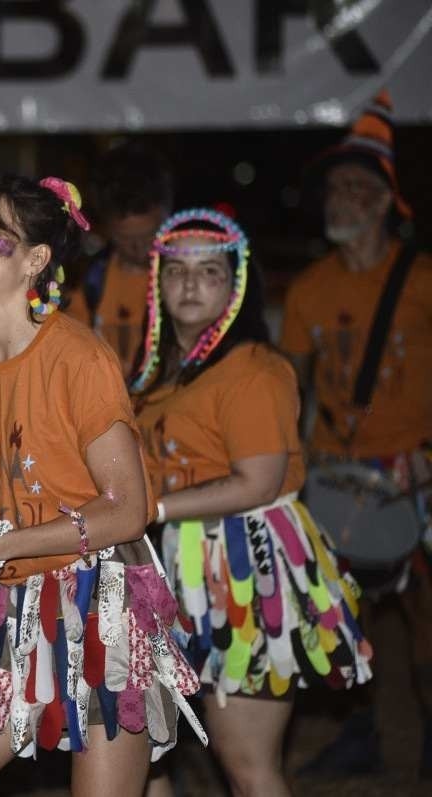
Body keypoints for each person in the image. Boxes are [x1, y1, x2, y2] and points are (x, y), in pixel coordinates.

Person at [0, 174, 203, 796]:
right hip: (15, 607)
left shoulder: (79, 360)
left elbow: (128, 511)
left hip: (103, 608)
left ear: (37, 260)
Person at [131, 207, 372, 796]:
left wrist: (151, 511)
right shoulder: (157, 373)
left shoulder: (256, 371)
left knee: (245, 761)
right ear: (157, 282)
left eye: (210, 272)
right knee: (140, 749)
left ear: (237, 286)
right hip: (162, 567)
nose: (190, 285)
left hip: (243, 571)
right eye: (177, 271)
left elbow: (258, 482)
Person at [280, 90, 432, 778]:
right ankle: (363, 728)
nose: (339, 198)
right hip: (339, 475)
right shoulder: (310, 288)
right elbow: (293, 390)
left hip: (418, 469)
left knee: (425, 613)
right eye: (333, 188)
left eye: (354, 186)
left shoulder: (424, 281)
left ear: (384, 199)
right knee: (346, 615)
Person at [64, 143, 173, 378]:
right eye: (124, 238)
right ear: (106, 228)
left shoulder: (188, 282)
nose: (140, 248)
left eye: (151, 234)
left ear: (167, 214)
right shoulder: (89, 282)